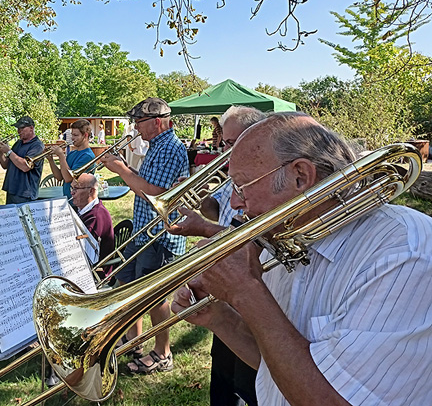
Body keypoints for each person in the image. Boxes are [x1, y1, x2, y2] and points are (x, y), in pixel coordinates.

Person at [172, 111, 432, 405]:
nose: (233, 202)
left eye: (241, 185)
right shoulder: (284, 236)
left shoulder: (403, 251)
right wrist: (219, 319)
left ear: (300, 176)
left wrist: (246, 291)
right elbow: (279, 362)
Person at [168, 106, 266, 406]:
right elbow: (221, 212)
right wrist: (202, 202)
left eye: (229, 142)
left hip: (253, 291)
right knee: (222, 379)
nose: (223, 149)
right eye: (223, 142)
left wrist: (205, 228)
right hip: (224, 290)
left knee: (249, 383)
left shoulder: (264, 180)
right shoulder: (232, 175)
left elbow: (253, 237)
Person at [101, 97, 189, 375]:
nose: (136, 128)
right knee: (129, 287)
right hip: (143, 233)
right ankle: (133, 342)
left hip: (160, 237)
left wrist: (121, 169)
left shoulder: (169, 148)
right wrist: (127, 170)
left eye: (139, 122)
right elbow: (148, 181)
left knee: (155, 299)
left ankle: (163, 353)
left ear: (158, 122)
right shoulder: (156, 147)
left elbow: (154, 193)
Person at [0, 115, 44, 204]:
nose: (19, 131)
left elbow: (25, 167)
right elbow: (5, 165)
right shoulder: (18, 143)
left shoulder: (37, 146)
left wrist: (9, 151)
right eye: (18, 128)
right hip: (12, 190)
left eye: (21, 128)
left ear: (31, 128)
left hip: (25, 193)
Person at [71, 173, 115, 264]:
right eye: (71, 188)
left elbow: (83, 248)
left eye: (76, 188)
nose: (72, 192)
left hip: (96, 272)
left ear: (91, 191)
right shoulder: (82, 209)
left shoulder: (96, 217)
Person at [47, 119, 95, 200]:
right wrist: (50, 160)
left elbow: (68, 178)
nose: (72, 138)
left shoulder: (88, 156)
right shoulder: (72, 153)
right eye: (72, 135)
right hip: (68, 199)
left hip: (80, 201)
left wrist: (61, 156)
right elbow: (59, 177)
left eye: (76, 135)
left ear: (85, 135)